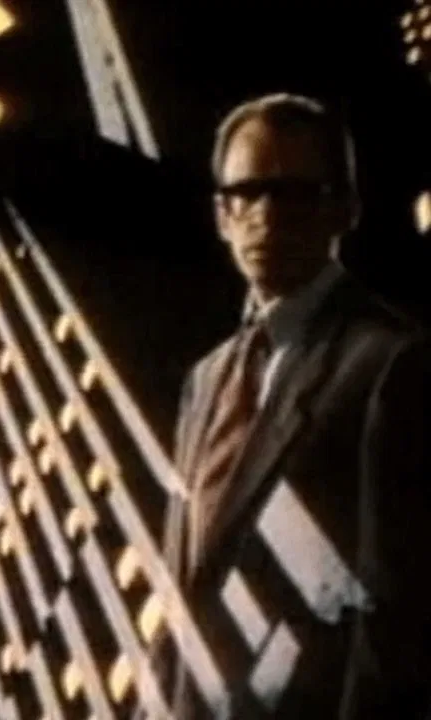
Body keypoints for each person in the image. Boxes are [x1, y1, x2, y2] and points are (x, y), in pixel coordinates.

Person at [159, 93, 428, 717]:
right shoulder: (206, 378)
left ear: (345, 210)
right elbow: (187, 581)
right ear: (222, 215)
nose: (266, 215)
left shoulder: (392, 365)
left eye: (294, 194)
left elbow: (394, 624)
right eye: (246, 193)